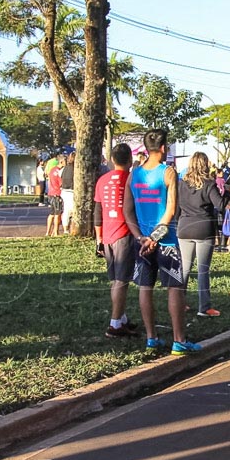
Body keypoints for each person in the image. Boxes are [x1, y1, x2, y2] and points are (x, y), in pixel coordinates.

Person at [123, 128, 201, 356]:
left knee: (145, 288)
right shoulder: (168, 172)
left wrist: (141, 238)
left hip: (142, 243)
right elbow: (171, 209)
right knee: (175, 289)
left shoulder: (133, 174)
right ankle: (179, 340)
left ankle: (151, 338)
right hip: (165, 242)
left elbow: (127, 211)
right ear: (164, 148)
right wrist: (156, 238)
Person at [95, 143, 138, 338]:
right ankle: (115, 324)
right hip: (124, 233)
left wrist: (99, 239)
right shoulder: (132, 179)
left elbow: (97, 212)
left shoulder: (102, 180)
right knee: (122, 280)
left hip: (107, 235)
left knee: (115, 279)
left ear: (112, 160)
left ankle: (122, 318)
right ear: (130, 160)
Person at [177, 152, 225, 318]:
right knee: (203, 270)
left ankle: (179, 303)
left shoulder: (181, 184)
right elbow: (220, 204)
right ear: (205, 165)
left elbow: (177, 207)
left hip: (184, 227)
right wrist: (225, 192)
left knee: (184, 268)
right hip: (203, 227)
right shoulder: (209, 184)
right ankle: (204, 307)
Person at [45, 156, 63, 236]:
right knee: (57, 213)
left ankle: (47, 232)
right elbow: (61, 183)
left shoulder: (52, 170)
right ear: (61, 162)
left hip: (50, 193)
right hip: (57, 193)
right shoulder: (59, 172)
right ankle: (56, 232)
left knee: (51, 213)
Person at [60, 151, 76, 234]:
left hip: (64, 190)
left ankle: (66, 229)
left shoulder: (65, 168)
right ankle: (70, 229)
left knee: (66, 210)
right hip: (71, 191)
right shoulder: (75, 168)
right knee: (72, 211)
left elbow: (60, 176)